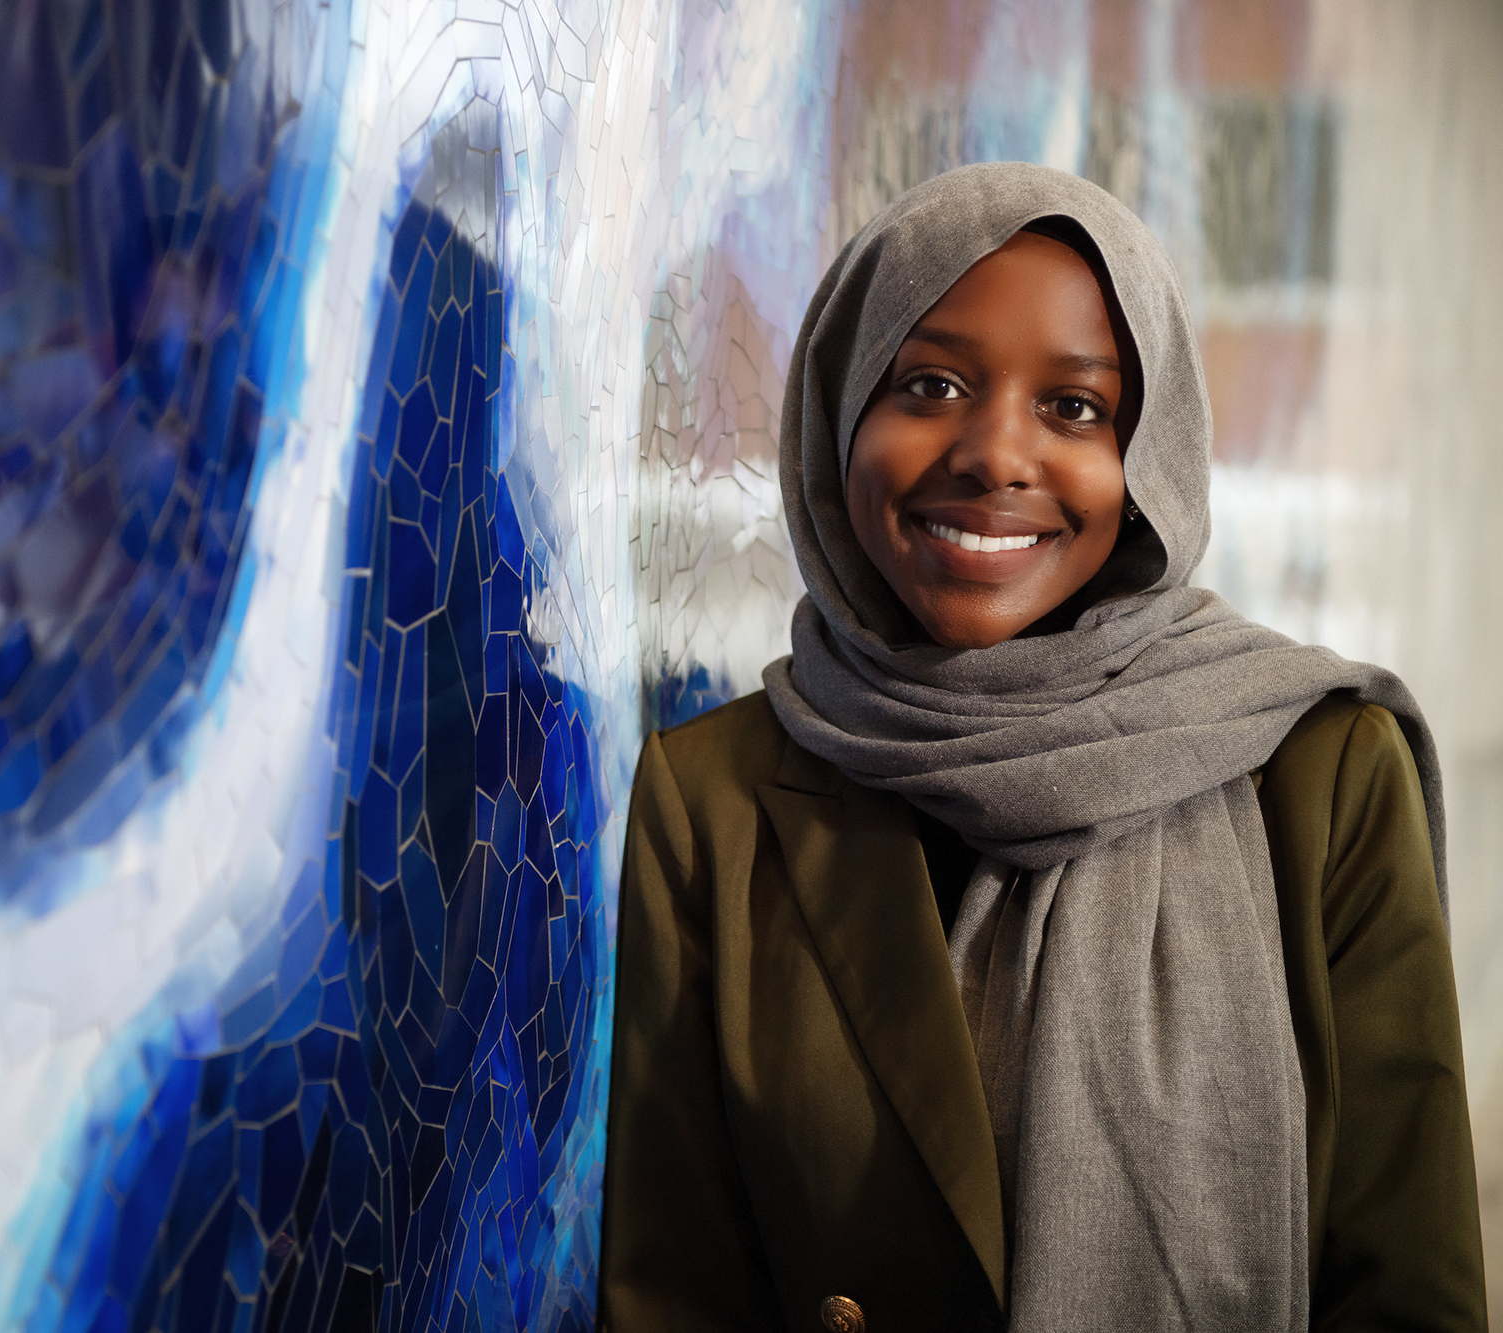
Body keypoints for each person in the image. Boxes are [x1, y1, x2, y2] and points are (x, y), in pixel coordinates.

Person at [597, 162, 1485, 1333]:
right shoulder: (711, 797)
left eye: (1072, 408)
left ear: (1146, 458)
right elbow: (676, 1294)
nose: (993, 455)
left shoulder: (1317, 771)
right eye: (928, 384)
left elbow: (1406, 1285)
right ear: (835, 411)